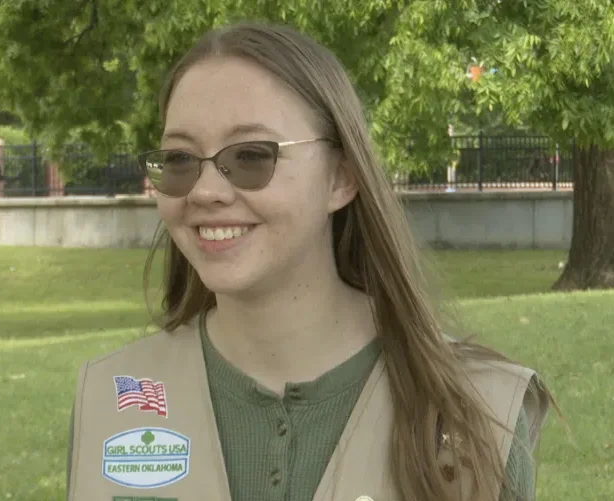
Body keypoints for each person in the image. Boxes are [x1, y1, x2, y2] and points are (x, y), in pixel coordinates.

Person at [66, 22, 554, 501]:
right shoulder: (112, 396)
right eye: (178, 160)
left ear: (341, 178)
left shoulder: (475, 411)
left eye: (252, 156)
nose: (207, 191)